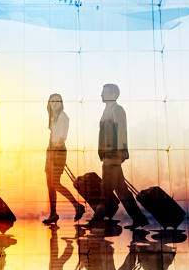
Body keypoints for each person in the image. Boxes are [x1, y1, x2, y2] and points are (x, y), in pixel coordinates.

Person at [95, 84, 148, 230]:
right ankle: (140, 218)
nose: (101, 94)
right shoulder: (107, 110)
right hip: (107, 154)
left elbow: (122, 130)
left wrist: (121, 152)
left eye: (104, 92)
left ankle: (97, 219)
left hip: (113, 155)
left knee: (105, 188)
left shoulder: (117, 109)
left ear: (113, 94)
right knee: (121, 190)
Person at [43, 93, 85, 225]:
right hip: (51, 150)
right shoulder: (52, 117)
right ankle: (53, 214)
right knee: (50, 184)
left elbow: (62, 138)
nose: (54, 103)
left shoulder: (63, 117)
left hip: (58, 150)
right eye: (52, 101)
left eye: (57, 101)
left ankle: (77, 206)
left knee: (55, 183)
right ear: (49, 103)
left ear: (61, 103)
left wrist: (54, 153)